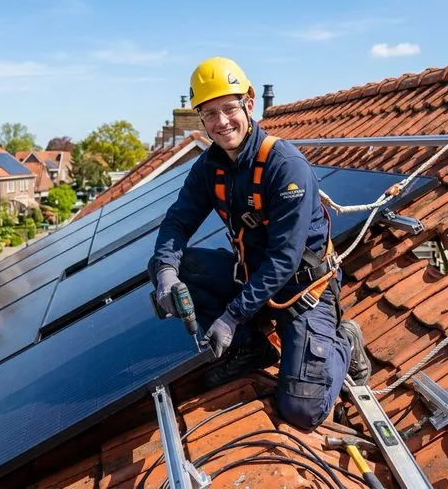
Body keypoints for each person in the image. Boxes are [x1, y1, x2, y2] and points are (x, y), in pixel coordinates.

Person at [148, 57, 371, 431]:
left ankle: (345, 342)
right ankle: (251, 347)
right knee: (170, 265)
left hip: (302, 289)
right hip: (251, 279)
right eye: (210, 114)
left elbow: (284, 259)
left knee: (302, 410)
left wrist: (231, 316)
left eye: (229, 109)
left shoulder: (285, 166)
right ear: (201, 120)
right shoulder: (209, 167)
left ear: (249, 104)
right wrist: (166, 274)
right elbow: (177, 222)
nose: (221, 122)